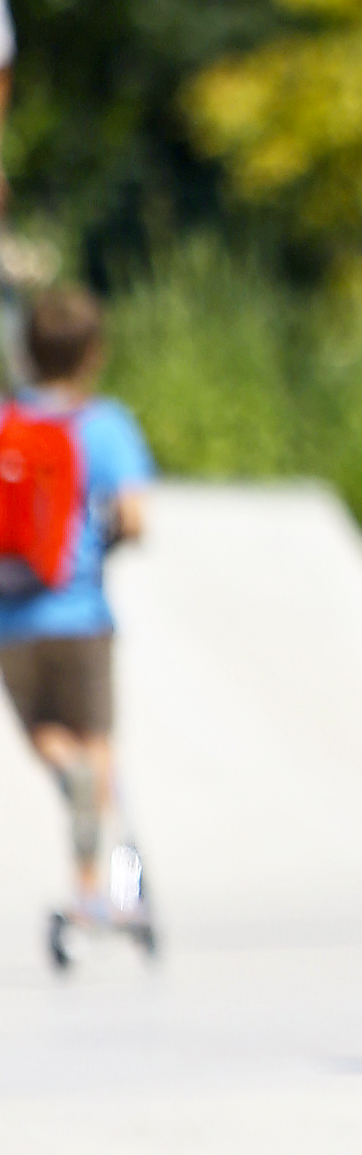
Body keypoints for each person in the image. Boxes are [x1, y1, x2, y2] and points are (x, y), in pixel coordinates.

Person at [0, 283, 156, 938]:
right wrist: (99, 546)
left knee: (47, 734)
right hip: (82, 611)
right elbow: (134, 518)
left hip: (11, 619)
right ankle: (93, 891)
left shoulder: (7, 422)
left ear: (27, 352)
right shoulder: (105, 424)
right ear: (93, 353)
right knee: (99, 746)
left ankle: (64, 771)